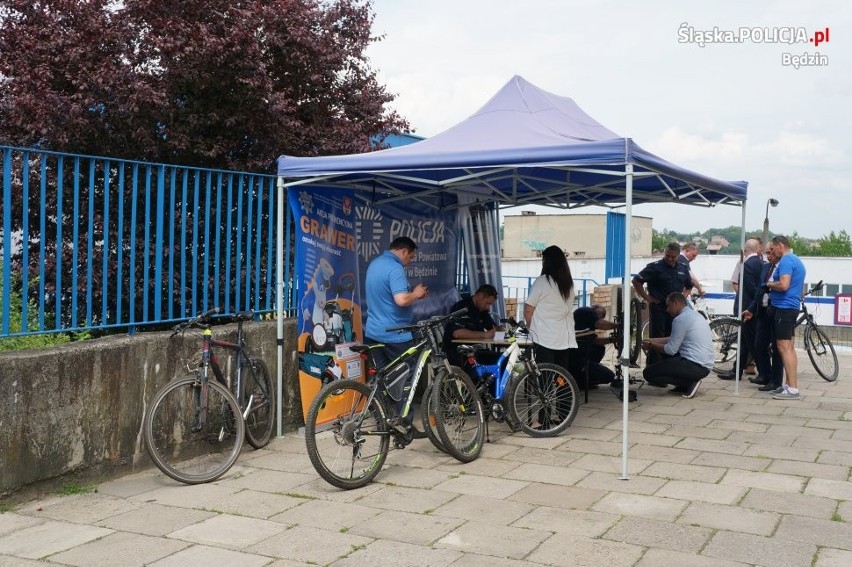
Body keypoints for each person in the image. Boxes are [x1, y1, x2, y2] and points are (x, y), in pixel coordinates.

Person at [364, 236, 429, 417]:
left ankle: (382, 421)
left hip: (373, 333)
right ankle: (404, 424)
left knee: (382, 380)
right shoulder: (395, 268)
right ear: (404, 251)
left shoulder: (375, 264)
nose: (409, 262)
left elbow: (386, 297)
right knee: (405, 380)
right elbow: (401, 300)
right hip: (396, 336)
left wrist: (413, 295)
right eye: (411, 257)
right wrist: (416, 293)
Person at [641, 292, 714, 399]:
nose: (667, 310)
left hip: (693, 365)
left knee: (648, 373)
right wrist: (651, 340)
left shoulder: (680, 319)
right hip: (705, 367)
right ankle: (684, 384)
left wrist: (651, 345)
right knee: (668, 364)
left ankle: (689, 383)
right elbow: (674, 338)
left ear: (676, 303)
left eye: (668, 305)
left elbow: (671, 350)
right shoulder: (695, 315)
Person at [632, 242, 693, 365]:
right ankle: (654, 367)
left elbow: (689, 286)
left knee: (674, 336)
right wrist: (647, 297)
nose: (670, 259)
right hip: (659, 308)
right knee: (657, 336)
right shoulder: (655, 267)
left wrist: (681, 298)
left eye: (673, 257)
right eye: (667, 256)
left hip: (676, 311)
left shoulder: (683, 268)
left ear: (678, 255)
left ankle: (670, 366)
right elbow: (636, 281)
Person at [764, 235, 806, 400]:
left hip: (784, 308)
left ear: (780, 246)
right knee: (789, 347)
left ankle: (793, 389)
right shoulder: (796, 260)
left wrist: (768, 284)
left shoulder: (787, 261)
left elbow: (783, 284)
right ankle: (789, 385)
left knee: (783, 347)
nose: (772, 252)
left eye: (773, 249)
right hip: (789, 308)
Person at [524, 245, 577, 371]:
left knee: (545, 375)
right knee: (561, 375)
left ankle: (545, 391)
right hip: (564, 337)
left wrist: (529, 325)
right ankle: (564, 390)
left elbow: (528, 309)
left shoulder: (542, 281)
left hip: (544, 337)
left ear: (547, 262)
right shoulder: (568, 284)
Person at [718, 238, 764, 380]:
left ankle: (763, 373)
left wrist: (750, 307)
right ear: (758, 249)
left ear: (746, 250)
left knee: (750, 342)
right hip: (751, 308)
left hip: (747, 309)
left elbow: (751, 288)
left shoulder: (748, 264)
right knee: (745, 341)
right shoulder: (759, 263)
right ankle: (736, 370)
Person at [742, 242, 784, 392]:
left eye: (771, 252)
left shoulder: (782, 267)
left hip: (777, 311)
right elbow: (759, 291)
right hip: (762, 311)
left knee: (778, 347)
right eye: (767, 253)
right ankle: (765, 374)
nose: (769, 255)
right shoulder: (765, 267)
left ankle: (776, 380)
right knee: (759, 345)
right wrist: (751, 310)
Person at [443, 284, 500, 367]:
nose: (488, 307)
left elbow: (493, 328)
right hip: (459, 354)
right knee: (498, 359)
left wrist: (502, 329)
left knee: (502, 358)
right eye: (487, 303)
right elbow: (457, 333)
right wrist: (484, 335)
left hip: (475, 351)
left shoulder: (482, 310)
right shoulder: (461, 307)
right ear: (480, 296)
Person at [570, 303, 616, 388]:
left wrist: (612, 340)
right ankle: (581, 378)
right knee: (610, 376)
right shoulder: (587, 311)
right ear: (596, 307)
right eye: (602, 314)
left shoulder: (587, 320)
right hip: (576, 358)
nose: (601, 317)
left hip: (579, 357)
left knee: (599, 348)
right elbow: (600, 324)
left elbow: (595, 341)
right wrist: (618, 326)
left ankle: (582, 377)